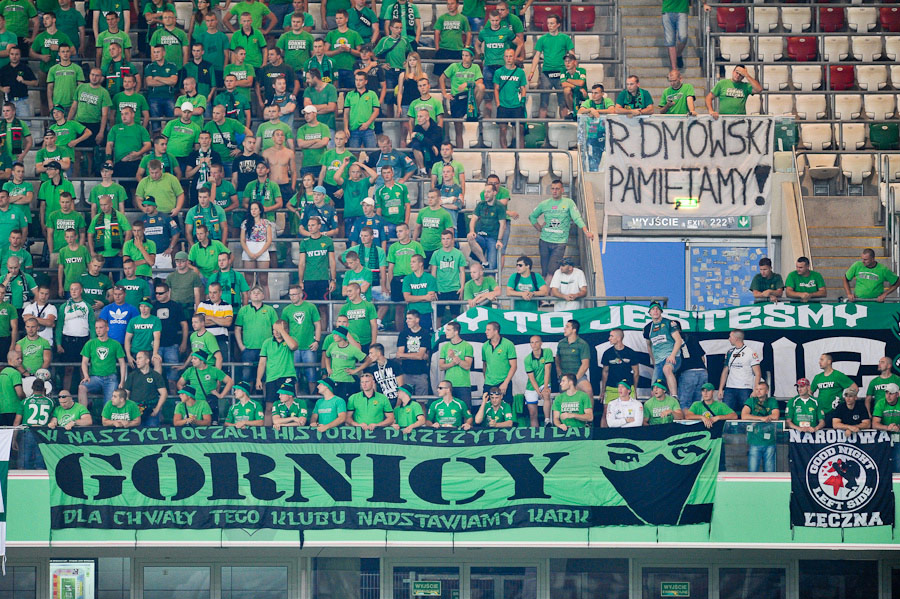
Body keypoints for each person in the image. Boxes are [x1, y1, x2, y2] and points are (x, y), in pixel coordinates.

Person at [530, 180, 594, 279]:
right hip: (544, 241)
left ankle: (547, 293)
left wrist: (586, 231)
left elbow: (577, 218)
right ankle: (546, 292)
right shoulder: (545, 204)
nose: (554, 191)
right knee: (544, 271)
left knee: (552, 270)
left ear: (562, 190)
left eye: (557, 189)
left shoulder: (568, 202)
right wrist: (539, 227)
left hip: (559, 242)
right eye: (552, 189)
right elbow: (532, 216)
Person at [527, 14, 572, 118]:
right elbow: (536, 56)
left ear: (558, 25)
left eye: (552, 23)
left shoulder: (565, 38)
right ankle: (542, 132)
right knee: (543, 103)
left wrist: (572, 71)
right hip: (546, 73)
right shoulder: (542, 39)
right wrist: (532, 71)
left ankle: (564, 130)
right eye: (548, 23)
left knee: (563, 103)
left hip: (561, 74)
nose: (549, 25)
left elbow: (572, 56)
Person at [440, 46, 482, 148]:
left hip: (469, 96)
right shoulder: (454, 66)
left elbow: (480, 82)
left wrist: (467, 83)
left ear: (472, 57)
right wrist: (445, 94)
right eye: (463, 55)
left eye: (467, 56)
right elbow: (442, 78)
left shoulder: (475, 67)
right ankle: (460, 152)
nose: (464, 58)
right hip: (457, 99)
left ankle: (473, 111)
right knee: (458, 129)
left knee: (481, 87)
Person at [78, 318, 127, 406]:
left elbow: (122, 363)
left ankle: (105, 419)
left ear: (107, 328)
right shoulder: (90, 343)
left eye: (100, 327)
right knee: (82, 387)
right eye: (96, 328)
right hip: (95, 378)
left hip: (111, 378)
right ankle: (84, 415)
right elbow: (84, 362)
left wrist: (122, 380)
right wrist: (86, 375)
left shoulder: (115, 344)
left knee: (108, 404)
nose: (98, 330)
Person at [178, 348, 232, 421]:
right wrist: (186, 396)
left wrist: (221, 395)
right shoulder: (190, 370)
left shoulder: (213, 370)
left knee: (212, 426)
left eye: (195, 359)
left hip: (210, 403)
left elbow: (230, 381)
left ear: (202, 361)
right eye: (192, 358)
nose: (192, 360)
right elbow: (180, 384)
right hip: (195, 404)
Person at [643, 301, 683, 397]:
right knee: (655, 389)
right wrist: (653, 360)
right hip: (658, 361)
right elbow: (649, 345)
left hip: (672, 357)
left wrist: (672, 355)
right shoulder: (648, 328)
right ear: (650, 313)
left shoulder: (669, 323)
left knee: (667, 369)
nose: (655, 311)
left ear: (661, 311)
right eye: (653, 309)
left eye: (657, 309)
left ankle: (674, 396)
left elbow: (679, 340)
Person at [717, 329, 761, 413]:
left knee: (747, 413)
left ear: (736, 338)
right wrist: (720, 389)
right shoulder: (730, 352)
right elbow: (725, 371)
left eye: (730, 337)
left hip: (745, 388)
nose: (729, 339)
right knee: (726, 413)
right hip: (730, 388)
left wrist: (755, 390)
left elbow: (758, 373)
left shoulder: (750, 352)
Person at [741, 381, 779, 472]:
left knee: (770, 473)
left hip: (770, 442)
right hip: (754, 441)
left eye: (761, 389)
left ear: (767, 391)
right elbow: (744, 416)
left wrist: (767, 417)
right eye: (756, 389)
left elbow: (776, 416)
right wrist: (761, 418)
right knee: (753, 472)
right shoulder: (751, 401)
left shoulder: (772, 401)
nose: (758, 391)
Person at [430, 229, 466, 322]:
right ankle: (437, 335)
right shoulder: (436, 254)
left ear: (452, 240)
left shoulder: (458, 254)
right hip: (440, 289)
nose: (445, 241)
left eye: (448, 238)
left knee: (456, 315)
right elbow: (433, 272)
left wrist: (462, 287)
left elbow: (462, 271)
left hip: (455, 288)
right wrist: (434, 289)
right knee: (438, 316)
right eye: (443, 239)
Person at [123, 350, 167, 426]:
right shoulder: (132, 375)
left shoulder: (155, 375)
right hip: (135, 411)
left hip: (151, 411)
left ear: (147, 360)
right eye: (136, 359)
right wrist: (129, 409)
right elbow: (126, 394)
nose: (137, 361)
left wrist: (157, 409)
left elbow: (164, 393)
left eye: (140, 358)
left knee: (153, 433)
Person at [467, 184, 506, 270]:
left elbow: (503, 225)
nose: (486, 194)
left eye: (488, 192)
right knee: (470, 237)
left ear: (494, 193)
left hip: (492, 238)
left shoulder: (499, 206)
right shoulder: (481, 204)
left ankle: (488, 268)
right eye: (485, 192)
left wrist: (499, 240)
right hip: (481, 236)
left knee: (492, 268)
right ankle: (484, 261)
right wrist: (472, 231)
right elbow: (473, 219)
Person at [599, 328, 640, 407]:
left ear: (618, 338)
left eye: (611, 336)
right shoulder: (607, 353)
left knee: (630, 411)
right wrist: (603, 390)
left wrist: (634, 389)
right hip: (611, 387)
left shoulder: (631, 352)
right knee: (606, 412)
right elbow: (605, 372)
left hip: (627, 387)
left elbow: (636, 372)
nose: (609, 338)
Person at [494, 48, 526, 148]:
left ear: (514, 57)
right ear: (504, 58)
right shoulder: (498, 72)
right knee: (502, 129)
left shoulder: (520, 72)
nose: (508, 58)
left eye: (511, 56)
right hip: (503, 105)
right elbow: (496, 89)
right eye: (507, 56)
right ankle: (505, 152)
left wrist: (523, 100)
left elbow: (523, 88)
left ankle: (521, 153)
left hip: (516, 105)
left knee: (520, 130)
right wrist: (498, 104)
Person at [396, 309, 431, 395]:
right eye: (407, 318)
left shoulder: (425, 334)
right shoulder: (403, 334)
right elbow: (399, 355)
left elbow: (420, 356)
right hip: (406, 372)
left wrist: (405, 355)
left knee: (422, 402)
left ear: (417, 320)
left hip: (421, 373)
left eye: (410, 318)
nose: (407, 321)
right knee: (405, 401)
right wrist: (417, 355)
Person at [481, 320, 517, 405]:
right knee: (486, 409)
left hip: (503, 382)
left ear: (496, 331)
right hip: (488, 384)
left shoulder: (508, 344)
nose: (485, 332)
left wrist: (505, 383)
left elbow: (514, 366)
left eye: (488, 330)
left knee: (506, 409)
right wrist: (486, 379)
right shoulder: (485, 346)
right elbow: (485, 364)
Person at [811, 352, 855, 417]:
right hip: (821, 411)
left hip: (836, 411)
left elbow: (854, 387)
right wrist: (814, 405)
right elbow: (810, 392)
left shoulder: (838, 375)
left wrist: (849, 402)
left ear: (829, 361)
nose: (819, 362)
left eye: (822, 360)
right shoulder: (817, 377)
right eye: (820, 360)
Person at [402, 255, 439, 331]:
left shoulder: (430, 278)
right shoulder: (407, 279)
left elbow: (430, 297)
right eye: (411, 262)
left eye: (413, 262)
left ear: (420, 263)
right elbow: (407, 298)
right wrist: (424, 297)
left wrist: (414, 298)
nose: (411, 264)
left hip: (426, 312)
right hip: (412, 313)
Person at [339, 280, 377, 352]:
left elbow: (374, 325)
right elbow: (340, 325)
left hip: (366, 342)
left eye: (350, 291)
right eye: (347, 291)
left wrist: (373, 342)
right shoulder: (345, 307)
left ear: (358, 291)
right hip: (349, 342)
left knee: (367, 363)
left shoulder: (369, 305)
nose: (348, 294)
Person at [523, 335, 552, 426]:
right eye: (532, 342)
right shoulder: (527, 359)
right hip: (532, 387)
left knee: (546, 394)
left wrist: (546, 387)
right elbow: (531, 378)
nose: (534, 344)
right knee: (532, 414)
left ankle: (547, 420)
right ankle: (535, 434)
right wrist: (538, 391)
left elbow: (548, 370)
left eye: (536, 342)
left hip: (544, 383)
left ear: (541, 343)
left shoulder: (547, 352)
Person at [872, 383, 900, 472]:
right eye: (887, 392)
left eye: (891, 393)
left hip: (898, 436)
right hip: (884, 436)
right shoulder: (880, 403)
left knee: (897, 462)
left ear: (897, 394)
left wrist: (898, 427)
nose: (888, 396)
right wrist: (888, 427)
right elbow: (875, 424)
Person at [677, 333, 707, 411]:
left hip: (688, 372)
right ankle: (696, 421)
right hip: (702, 371)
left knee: (684, 403)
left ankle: (687, 422)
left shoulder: (674, 340)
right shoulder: (692, 338)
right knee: (697, 403)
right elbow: (703, 358)